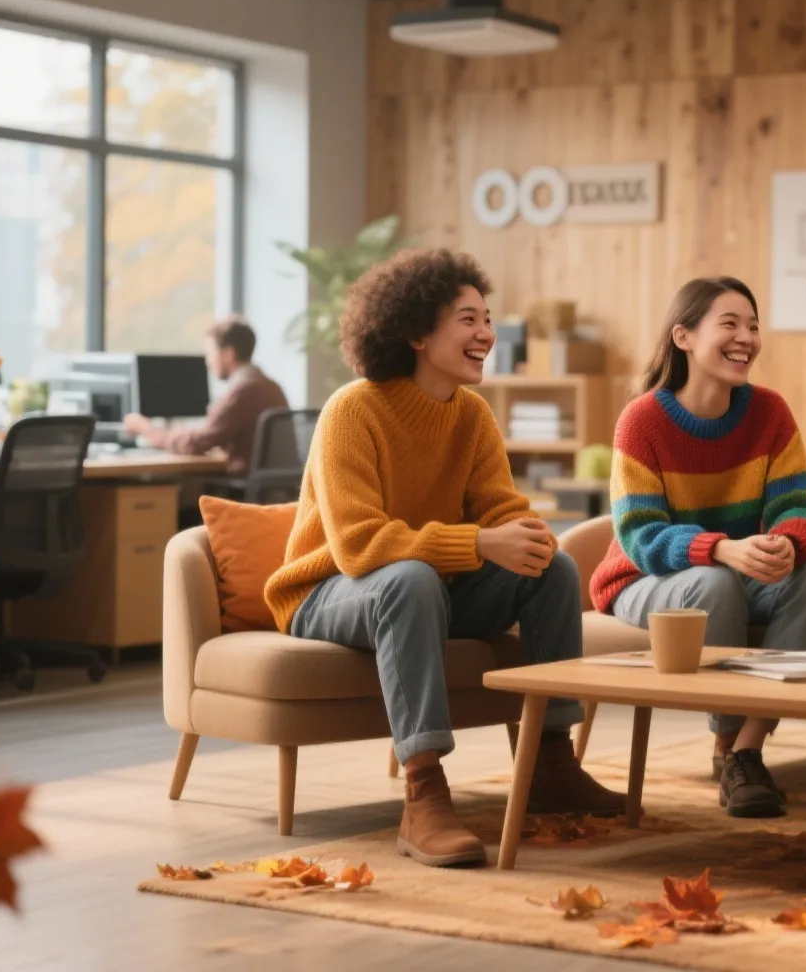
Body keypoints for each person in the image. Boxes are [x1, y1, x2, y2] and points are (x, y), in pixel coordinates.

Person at [264, 248, 623, 870]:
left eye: (488, 318)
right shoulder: (352, 411)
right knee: (409, 576)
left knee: (553, 569)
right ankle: (423, 790)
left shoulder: (472, 416)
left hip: (422, 584)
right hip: (328, 590)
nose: (486, 333)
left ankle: (550, 763)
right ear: (415, 332)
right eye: (468, 319)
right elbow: (358, 547)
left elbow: (499, 508)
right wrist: (480, 544)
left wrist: (523, 536)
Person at [590, 276, 806, 819]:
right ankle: (728, 746)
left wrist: (786, 547)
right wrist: (723, 549)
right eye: (729, 324)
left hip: (732, 571)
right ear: (683, 336)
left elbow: (803, 512)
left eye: (752, 326)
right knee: (715, 580)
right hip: (640, 581)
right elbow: (640, 537)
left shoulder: (769, 413)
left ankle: (746, 747)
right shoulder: (642, 420)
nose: (746, 337)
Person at [123, 316, 289, 475]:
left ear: (229, 354)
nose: (208, 362)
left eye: (211, 353)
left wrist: (147, 429)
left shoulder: (243, 391)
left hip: (242, 488)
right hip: (268, 489)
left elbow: (198, 443)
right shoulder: (271, 386)